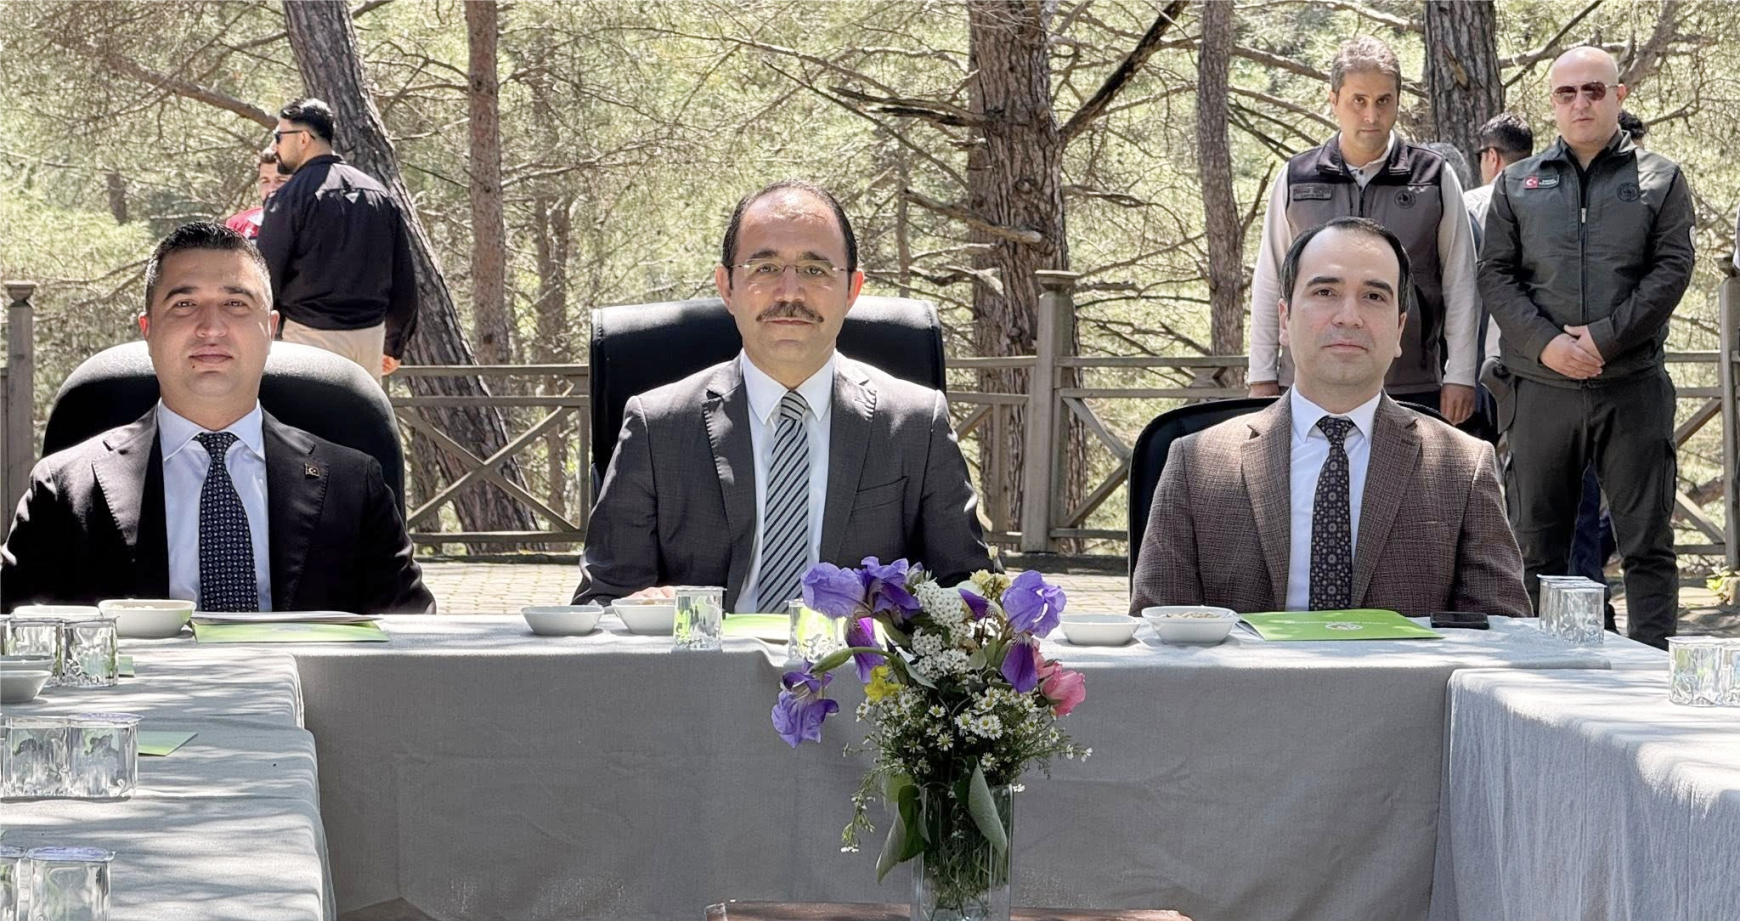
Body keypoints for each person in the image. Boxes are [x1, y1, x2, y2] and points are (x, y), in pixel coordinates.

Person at [572, 180, 993, 612]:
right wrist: (635, 609)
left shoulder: (916, 423)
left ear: (852, 290)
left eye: (815, 270)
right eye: (765, 268)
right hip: (704, 655)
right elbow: (600, 599)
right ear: (727, 287)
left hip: (854, 656)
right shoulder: (657, 425)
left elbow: (970, 590)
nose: (790, 292)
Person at [0, 222, 433, 615]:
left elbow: (411, 642)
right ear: (148, 330)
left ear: (271, 329)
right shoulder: (65, 488)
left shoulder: (354, 486)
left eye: (235, 303)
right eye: (185, 303)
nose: (211, 328)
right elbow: (12, 633)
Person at [1131, 217, 1529, 617]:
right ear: (1284, 319)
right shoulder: (1194, 463)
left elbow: (1501, 634)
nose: (1349, 317)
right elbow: (1158, 631)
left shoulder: (1463, 468)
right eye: (1325, 292)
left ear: (1399, 330)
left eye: (1374, 296)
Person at [1479, 48, 1695, 649]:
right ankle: (1537, 672)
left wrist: (1605, 337)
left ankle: (1654, 671)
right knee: (1535, 545)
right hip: (1540, 387)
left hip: (1631, 386)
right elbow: (1495, 273)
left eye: (1594, 91)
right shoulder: (1518, 183)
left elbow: (1671, 269)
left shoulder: (1662, 178)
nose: (1580, 103)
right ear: (1552, 102)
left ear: (1618, 96)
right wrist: (1547, 344)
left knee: (1647, 544)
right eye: (1567, 93)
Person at [1247, 37, 1481, 431]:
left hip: (1410, 381)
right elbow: (1270, 280)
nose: (1371, 115)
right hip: (1307, 383)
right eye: (1359, 100)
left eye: (1383, 101)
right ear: (1334, 100)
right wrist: (1261, 375)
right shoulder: (1297, 178)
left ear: (1397, 101)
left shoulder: (1434, 177)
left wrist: (1460, 374)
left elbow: (1460, 280)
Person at [258, 98, 418, 384]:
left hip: (309, 339)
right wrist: (394, 343)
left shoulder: (289, 199)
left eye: (279, 136)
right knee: (362, 413)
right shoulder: (378, 195)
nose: (275, 145)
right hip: (369, 339)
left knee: (309, 414)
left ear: (303, 138)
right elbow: (403, 277)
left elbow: (266, 276)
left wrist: (265, 337)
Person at [223, 148, 288, 240]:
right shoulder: (238, 226)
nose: (271, 188)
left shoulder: (308, 226)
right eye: (265, 181)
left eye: (281, 180)